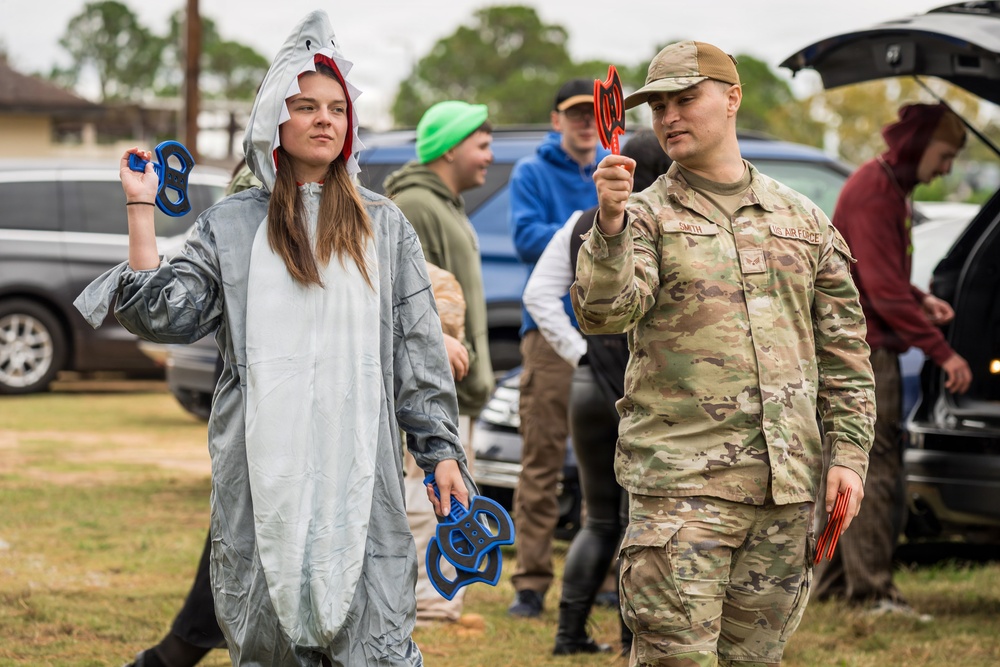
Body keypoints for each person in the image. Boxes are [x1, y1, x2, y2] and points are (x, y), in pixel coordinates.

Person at [76, 11, 472, 666]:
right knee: (270, 637)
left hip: (358, 471)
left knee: (374, 639)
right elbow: (163, 316)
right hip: (266, 475)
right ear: (272, 122)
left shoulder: (386, 225)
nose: (324, 119)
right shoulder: (232, 225)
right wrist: (141, 209)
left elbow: (418, 350)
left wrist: (441, 451)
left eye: (337, 108)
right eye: (306, 106)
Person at [571, 40, 876, 666]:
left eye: (687, 99)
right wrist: (608, 226)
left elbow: (844, 351)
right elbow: (606, 311)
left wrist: (848, 456)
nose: (670, 117)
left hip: (786, 497)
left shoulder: (804, 220)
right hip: (683, 494)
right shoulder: (644, 217)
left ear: (732, 99)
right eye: (658, 107)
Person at [813, 102, 972, 616]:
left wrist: (921, 297)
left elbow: (880, 272)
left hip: (861, 344)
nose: (946, 168)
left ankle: (836, 585)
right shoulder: (875, 191)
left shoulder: (888, 189)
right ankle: (873, 592)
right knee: (874, 469)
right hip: (865, 350)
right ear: (918, 146)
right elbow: (881, 292)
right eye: (944, 156)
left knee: (848, 466)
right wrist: (943, 353)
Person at [523, 128, 671, 656]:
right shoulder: (665, 226)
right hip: (640, 392)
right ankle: (632, 642)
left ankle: (567, 636)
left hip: (587, 389)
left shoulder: (582, 222)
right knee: (638, 524)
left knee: (599, 518)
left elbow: (537, 294)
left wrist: (578, 352)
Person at [383, 101, 495, 624]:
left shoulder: (446, 203)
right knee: (422, 489)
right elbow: (401, 285)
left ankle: (441, 602)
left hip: (456, 384)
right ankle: (422, 605)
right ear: (450, 147)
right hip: (431, 383)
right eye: (482, 144)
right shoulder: (414, 203)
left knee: (451, 494)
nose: (489, 156)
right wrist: (436, 341)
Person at [507, 77, 610, 618]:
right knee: (541, 460)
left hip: (609, 336)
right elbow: (525, 239)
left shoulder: (616, 166)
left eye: (591, 113)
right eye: (573, 114)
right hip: (548, 333)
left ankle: (608, 578)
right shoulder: (531, 173)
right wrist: (592, 230)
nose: (584, 122)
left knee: (612, 460)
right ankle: (530, 583)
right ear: (556, 120)